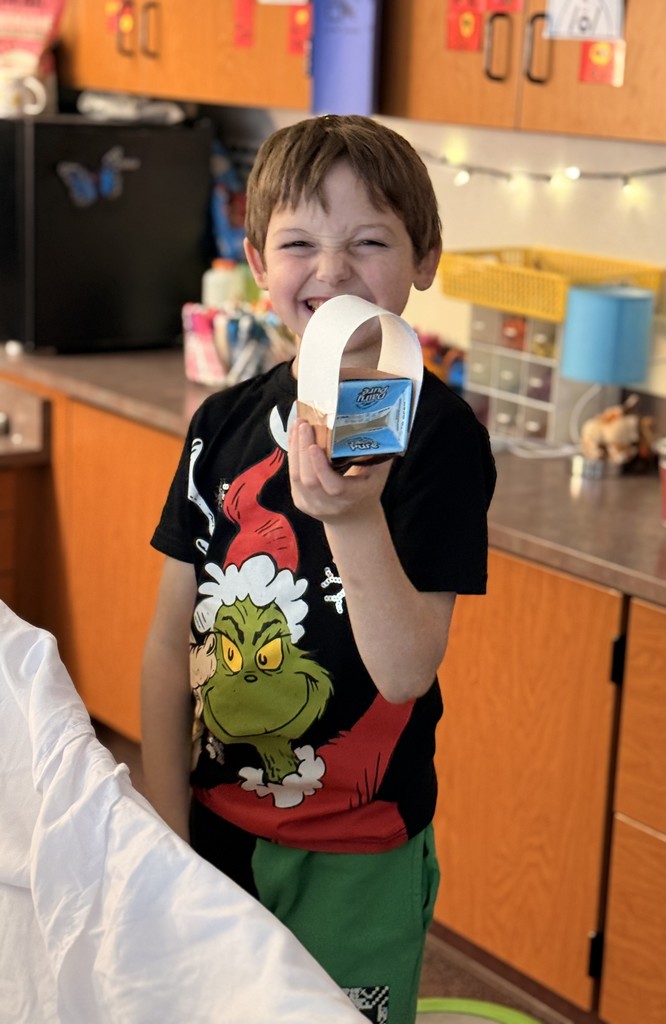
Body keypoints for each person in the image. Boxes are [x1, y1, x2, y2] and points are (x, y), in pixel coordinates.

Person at [141, 114, 496, 1024]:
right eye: (300, 242)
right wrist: (164, 827)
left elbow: (408, 668)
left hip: (358, 851)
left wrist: (355, 515)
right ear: (259, 262)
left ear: (425, 259)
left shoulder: (439, 440)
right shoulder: (220, 424)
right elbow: (167, 643)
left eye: (369, 241)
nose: (332, 272)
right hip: (217, 828)